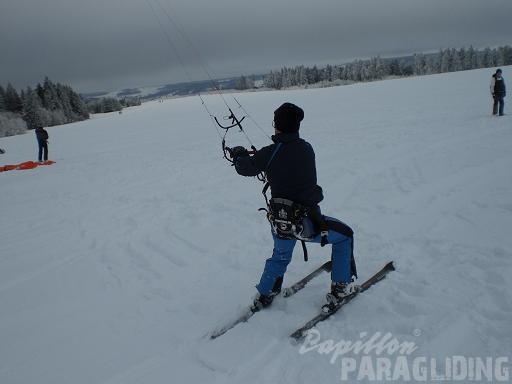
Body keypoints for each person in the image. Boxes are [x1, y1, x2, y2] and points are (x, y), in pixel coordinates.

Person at [229, 102, 357, 311]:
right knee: (345, 236)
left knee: (280, 255)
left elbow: (245, 168)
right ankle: (340, 287)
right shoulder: (306, 148)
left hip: (280, 224)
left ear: (276, 125)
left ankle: (266, 292)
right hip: (308, 225)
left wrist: (239, 155)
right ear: (297, 125)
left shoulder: (270, 153)